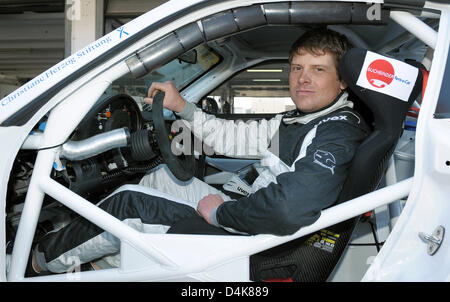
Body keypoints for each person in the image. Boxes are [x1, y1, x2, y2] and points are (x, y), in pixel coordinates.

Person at [30, 28, 370, 274]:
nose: (302, 79)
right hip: (250, 216)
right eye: (297, 68)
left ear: (342, 81)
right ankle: (107, 265)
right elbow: (230, 137)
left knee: (127, 203)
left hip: (254, 242)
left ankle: (38, 262)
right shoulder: (300, 120)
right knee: (161, 178)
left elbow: (287, 209)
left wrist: (221, 214)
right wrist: (183, 108)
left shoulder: (335, 131)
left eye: (318, 69)